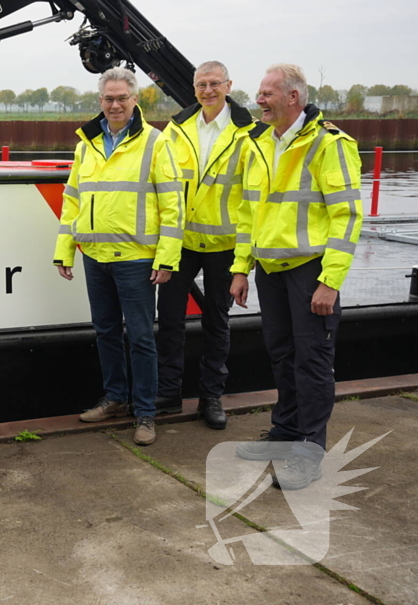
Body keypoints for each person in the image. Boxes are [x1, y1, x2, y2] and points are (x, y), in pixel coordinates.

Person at [230, 64, 361, 489]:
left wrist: (330, 280)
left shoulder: (329, 144)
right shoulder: (259, 144)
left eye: (268, 93)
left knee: (312, 360)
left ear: (294, 97)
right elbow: (249, 212)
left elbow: (347, 216)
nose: (259, 100)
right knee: (282, 354)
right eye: (260, 93)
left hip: (310, 270)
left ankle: (309, 449)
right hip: (270, 269)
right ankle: (285, 432)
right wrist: (240, 268)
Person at [53, 66, 183, 446]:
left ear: (135, 100)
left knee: (141, 338)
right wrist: (64, 250)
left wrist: (166, 258)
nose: (115, 104)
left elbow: (174, 204)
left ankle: (145, 414)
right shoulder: (86, 145)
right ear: (100, 101)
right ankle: (115, 399)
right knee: (106, 332)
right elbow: (72, 202)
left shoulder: (156, 143)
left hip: (136, 259)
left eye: (122, 98)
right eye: (108, 98)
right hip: (95, 255)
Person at [154, 62, 265, 429]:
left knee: (217, 323)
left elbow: (254, 198)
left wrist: (244, 261)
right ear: (193, 87)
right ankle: (168, 394)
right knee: (169, 320)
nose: (208, 90)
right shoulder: (176, 128)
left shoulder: (249, 133)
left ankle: (211, 398)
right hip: (180, 243)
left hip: (223, 244)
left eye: (214, 83)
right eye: (201, 84)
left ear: (229, 85)